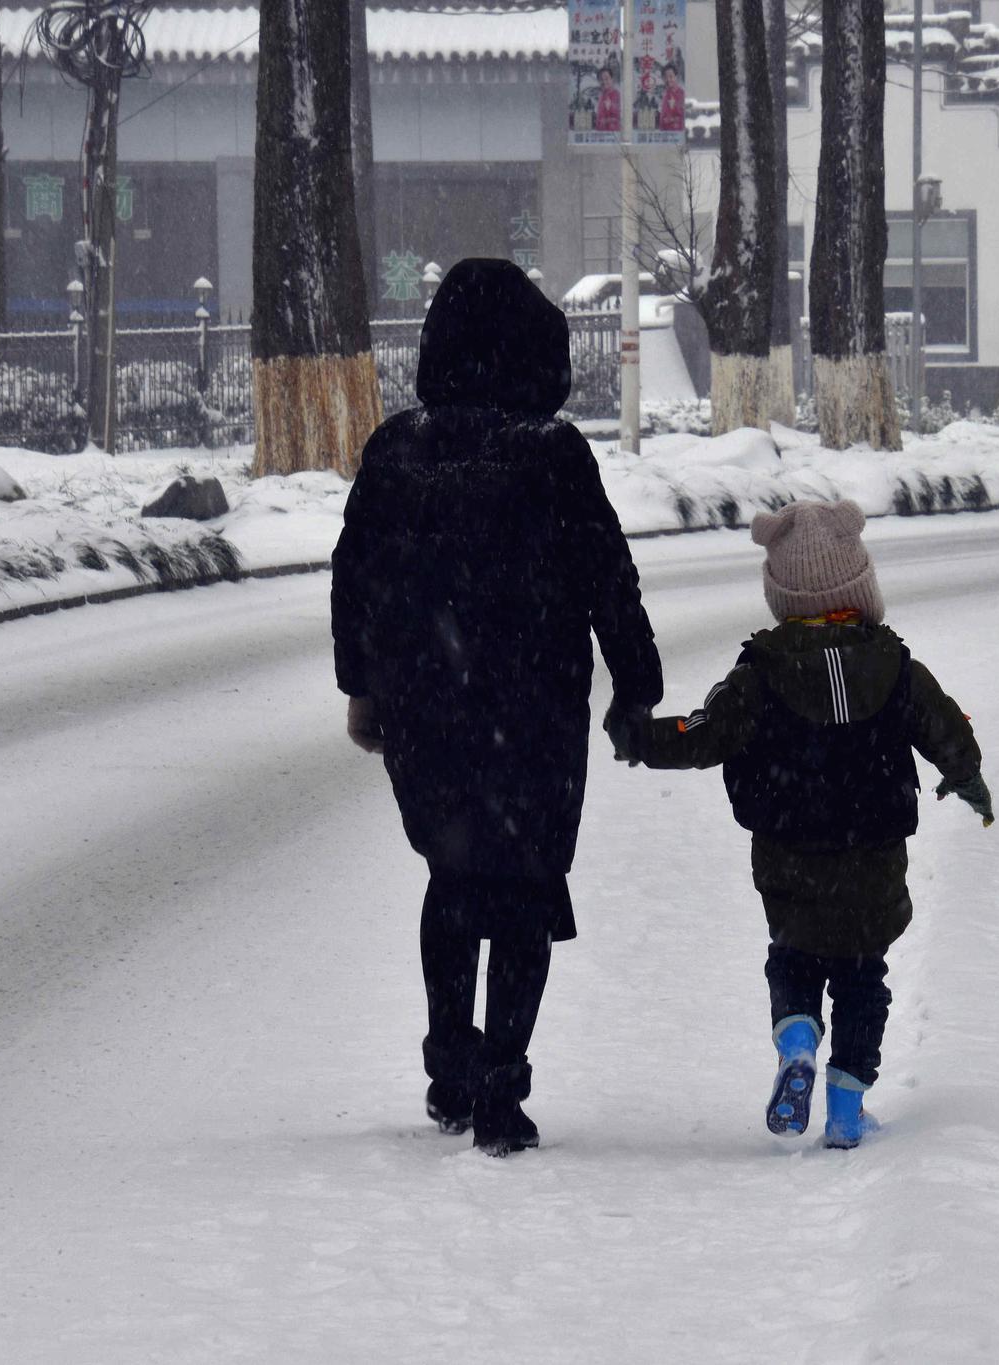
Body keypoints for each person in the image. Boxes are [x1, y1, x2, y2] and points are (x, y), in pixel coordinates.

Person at [333, 259, 662, 1157]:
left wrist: (363, 686)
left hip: (425, 711)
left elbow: (354, 576)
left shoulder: (397, 449)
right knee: (522, 889)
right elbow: (608, 578)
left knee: (453, 874)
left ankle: (449, 1060)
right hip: (535, 716)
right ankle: (501, 1086)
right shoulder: (552, 456)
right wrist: (636, 682)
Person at [609, 500, 990, 1149]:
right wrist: (967, 776)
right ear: (860, 588)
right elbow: (945, 726)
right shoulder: (895, 667)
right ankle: (845, 1108)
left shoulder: (759, 674)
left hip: (788, 853)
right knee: (863, 974)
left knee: (794, 956)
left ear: (781, 596)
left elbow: (706, 735)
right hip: (873, 852)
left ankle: (798, 1039)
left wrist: (641, 736)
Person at [657, 61, 685, 134]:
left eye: (671, 76)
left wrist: (669, 119)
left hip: (676, 136)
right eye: (666, 77)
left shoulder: (681, 94)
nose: (668, 80)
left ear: (676, 77)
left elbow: (682, 117)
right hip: (665, 137)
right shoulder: (666, 94)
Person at [593, 67, 621, 133]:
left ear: (612, 79)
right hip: (600, 134)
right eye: (601, 79)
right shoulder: (602, 94)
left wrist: (604, 121)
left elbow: (617, 117)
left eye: (606, 79)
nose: (604, 82)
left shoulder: (616, 95)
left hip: (612, 135)